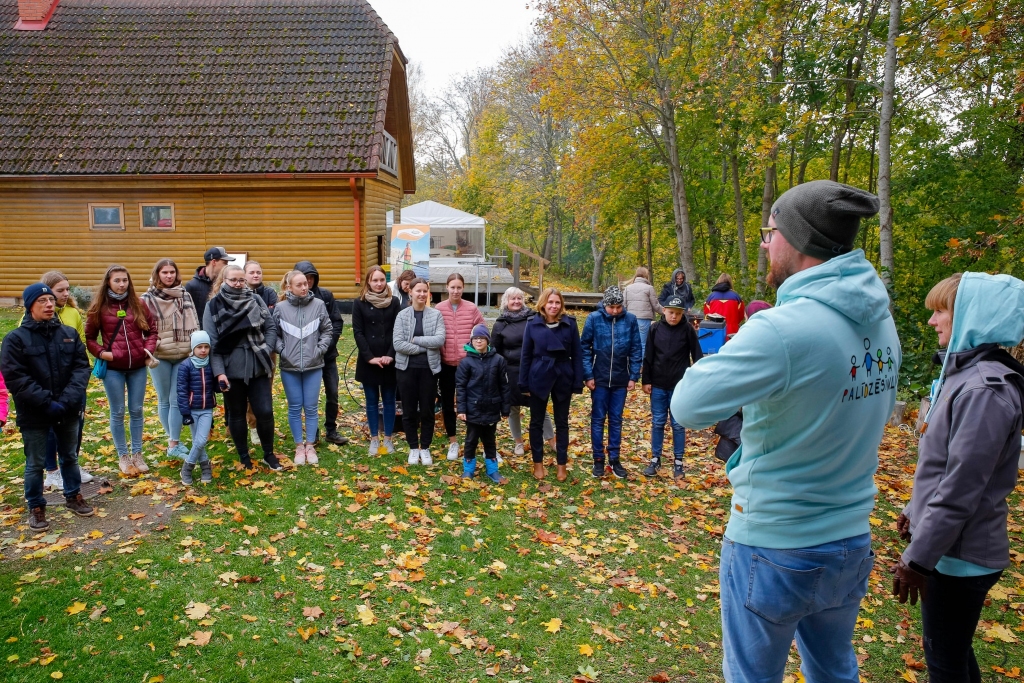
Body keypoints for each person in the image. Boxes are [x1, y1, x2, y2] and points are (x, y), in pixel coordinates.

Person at [672, 180, 899, 683]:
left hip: (775, 543)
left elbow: (686, 405)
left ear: (796, 239)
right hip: (849, 540)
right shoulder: (880, 323)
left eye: (769, 232)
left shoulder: (781, 329)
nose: (763, 243)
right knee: (835, 669)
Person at [893, 272, 1024, 683]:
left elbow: (961, 488)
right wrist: (913, 509)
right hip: (949, 547)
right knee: (952, 653)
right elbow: (940, 466)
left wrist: (918, 559)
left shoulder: (985, 390)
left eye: (942, 311)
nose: (933, 321)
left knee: (945, 664)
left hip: (962, 555)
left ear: (974, 317)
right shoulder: (963, 374)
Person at [1, 283, 94, 530]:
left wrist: (65, 401)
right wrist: (46, 402)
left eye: (51, 300)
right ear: (30, 305)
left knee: (70, 456)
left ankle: (73, 496)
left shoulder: (68, 334)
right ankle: (36, 506)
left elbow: (81, 368)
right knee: (35, 463)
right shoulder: (15, 339)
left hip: (67, 409)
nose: (50, 304)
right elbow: (16, 377)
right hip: (34, 413)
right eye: (42, 300)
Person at [204, 264, 281, 471]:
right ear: (224, 280)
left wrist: (267, 348)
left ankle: (268, 453)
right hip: (231, 368)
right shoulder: (213, 306)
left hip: (258, 363)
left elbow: (270, 326)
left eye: (241, 280)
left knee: (265, 411)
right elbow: (212, 343)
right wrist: (220, 372)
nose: (238, 284)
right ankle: (244, 456)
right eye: (233, 280)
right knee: (236, 413)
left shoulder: (255, 299)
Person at [85, 265, 158, 477]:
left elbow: (152, 330)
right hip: (113, 369)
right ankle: (123, 456)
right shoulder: (99, 307)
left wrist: (148, 350)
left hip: (137, 367)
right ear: (108, 282)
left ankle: (137, 453)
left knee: (136, 410)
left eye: (125, 280)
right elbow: (89, 338)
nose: (121, 284)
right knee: (117, 412)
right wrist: (101, 353)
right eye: (117, 280)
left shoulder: (138, 304)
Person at [519, 288, 584, 482]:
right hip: (539, 374)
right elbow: (526, 355)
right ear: (543, 304)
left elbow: (578, 355)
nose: (554, 306)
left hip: (563, 374)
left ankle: (561, 464)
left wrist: (577, 381)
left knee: (562, 423)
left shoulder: (570, 324)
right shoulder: (533, 324)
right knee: (536, 422)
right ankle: (537, 463)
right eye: (550, 302)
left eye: (557, 302)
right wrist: (523, 384)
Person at [37, 271, 94, 490]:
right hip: (48, 383)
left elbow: (80, 346)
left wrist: (79, 377)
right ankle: (52, 471)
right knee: (51, 427)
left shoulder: (73, 313)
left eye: (67, 289)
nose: (65, 293)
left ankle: (71, 463)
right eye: (59, 290)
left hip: (73, 382)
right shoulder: (33, 315)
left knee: (76, 425)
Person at [141, 259, 200, 461]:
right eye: (165, 272)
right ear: (158, 274)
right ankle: (171, 439)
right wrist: (150, 345)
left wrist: (196, 346)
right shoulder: (147, 299)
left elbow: (195, 322)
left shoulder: (185, 295)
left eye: (172, 272)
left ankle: (174, 442)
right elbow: (141, 327)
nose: (169, 276)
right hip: (160, 355)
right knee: (164, 399)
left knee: (177, 399)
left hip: (183, 354)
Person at [581, 285, 642, 480]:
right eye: (611, 307)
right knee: (598, 419)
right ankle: (598, 459)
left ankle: (614, 458)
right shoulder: (594, 319)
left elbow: (635, 348)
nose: (615, 311)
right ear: (605, 305)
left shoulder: (630, 320)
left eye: (618, 307)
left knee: (616, 419)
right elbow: (584, 349)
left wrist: (633, 376)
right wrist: (588, 375)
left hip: (620, 379)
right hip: (598, 378)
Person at [274, 270, 332, 466]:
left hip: (313, 365)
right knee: (294, 407)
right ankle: (299, 446)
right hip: (289, 367)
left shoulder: (318, 305)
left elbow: (327, 330)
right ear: (289, 287)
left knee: (312, 407)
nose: (304, 287)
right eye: (299, 285)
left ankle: (310, 445)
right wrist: (282, 350)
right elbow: (274, 333)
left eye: (306, 284)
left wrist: (320, 349)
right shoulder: (281, 308)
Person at [640, 296, 702, 480]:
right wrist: (646, 380)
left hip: (679, 386)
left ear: (682, 314)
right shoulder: (655, 329)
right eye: (670, 313)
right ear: (664, 311)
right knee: (658, 422)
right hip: (658, 384)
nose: (673, 317)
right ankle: (655, 458)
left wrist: (696, 381)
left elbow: (696, 356)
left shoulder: (687, 330)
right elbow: (649, 356)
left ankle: (678, 461)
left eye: (677, 313)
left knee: (678, 424)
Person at [491, 287, 554, 456]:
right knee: (513, 408)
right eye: (513, 299)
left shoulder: (533, 318)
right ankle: (518, 442)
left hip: (533, 369)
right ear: (506, 301)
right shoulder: (500, 323)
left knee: (539, 405)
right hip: (510, 371)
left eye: (519, 298)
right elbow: (495, 350)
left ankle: (551, 439)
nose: (516, 302)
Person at [393, 278, 445, 466]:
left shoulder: (436, 315)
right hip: (406, 370)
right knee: (409, 411)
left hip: (429, 370)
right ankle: (413, 447)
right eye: (418, 291)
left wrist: (416, 340)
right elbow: (398, 344)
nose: (422, 294)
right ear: (411, 292)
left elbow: (439, 340)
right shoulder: (402, 316)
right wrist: (423, 346)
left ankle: (425, 447)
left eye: (425, 291)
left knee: (427, 411)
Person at [294, 260, 347, 446]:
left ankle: (331, 430)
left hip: (328, 355)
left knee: (332, 393)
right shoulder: (293, 300)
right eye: (303, 278)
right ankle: (312, 431)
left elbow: (337, 322)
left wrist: (328, 345)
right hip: (306, 358)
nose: (307, 282)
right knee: (310, 396)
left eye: (311, 278)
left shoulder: (325, 295)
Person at [436, 273, 485, 461]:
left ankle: (474, 439)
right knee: (448, 404)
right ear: (446, 288)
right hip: (446, 364)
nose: (456, 291)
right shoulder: (439, 309)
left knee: (472, 403)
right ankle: (453, 441)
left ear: (463, 288)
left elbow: (482, 332)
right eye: (452, 287)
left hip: (468, 365)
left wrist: (471, 349)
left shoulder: (472, 308)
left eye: (459, 287)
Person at [352, 266, 400, 457]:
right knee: (371, 401)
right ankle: (374, 439)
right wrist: (369, 357)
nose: (379, 284)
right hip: (369, 361)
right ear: (368, 283)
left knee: (389, 401)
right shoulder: (359, 303)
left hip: (389, 359)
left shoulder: (394, 302)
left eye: (381, 280)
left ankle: (388, 439)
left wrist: (390, 354)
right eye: (375, 280)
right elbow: (358, 331)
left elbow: (398, 329)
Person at [456, 324, 511, 484]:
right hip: (473, 409)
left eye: (482, 338)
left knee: (489, 440)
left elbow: (504, 386)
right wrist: (461, 408)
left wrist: (505, 408)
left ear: (487, 340)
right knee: (471, 439)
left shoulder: (499, 360)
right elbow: (461, 387)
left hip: (492, 408)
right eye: (475, 338)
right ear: (471, 341)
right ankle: (468, 469)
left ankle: (492, 470)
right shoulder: (466, 362)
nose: (479, 341)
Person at [176, 331, 216, 485]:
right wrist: (185, 412)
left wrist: (220, 385)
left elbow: (213, 386)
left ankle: (187, 467)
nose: (203, 350)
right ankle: (206, 468)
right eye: (199, 347)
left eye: (206, 347)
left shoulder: (210, 364)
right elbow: (181, 391)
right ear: (193, 348)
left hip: (207, 409)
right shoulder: (185, 366)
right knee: (197, 441)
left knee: (200, 441)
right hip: (192, 410)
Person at [186, 246, 231, 328]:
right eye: (225, 263)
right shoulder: (192, 286)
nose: (227, 266)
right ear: (214, 262)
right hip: (201, 336)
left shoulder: (225, 284)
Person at [623, 267, 663, 356]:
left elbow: (624, 306)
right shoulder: (649, 288)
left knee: (631, 344)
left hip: (630, 319)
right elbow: (656, 306)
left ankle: (631, 365)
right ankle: (641, 366)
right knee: (643, 344)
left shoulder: (627, 288)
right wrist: (666, 312)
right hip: (644, 320)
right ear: (646, 275)